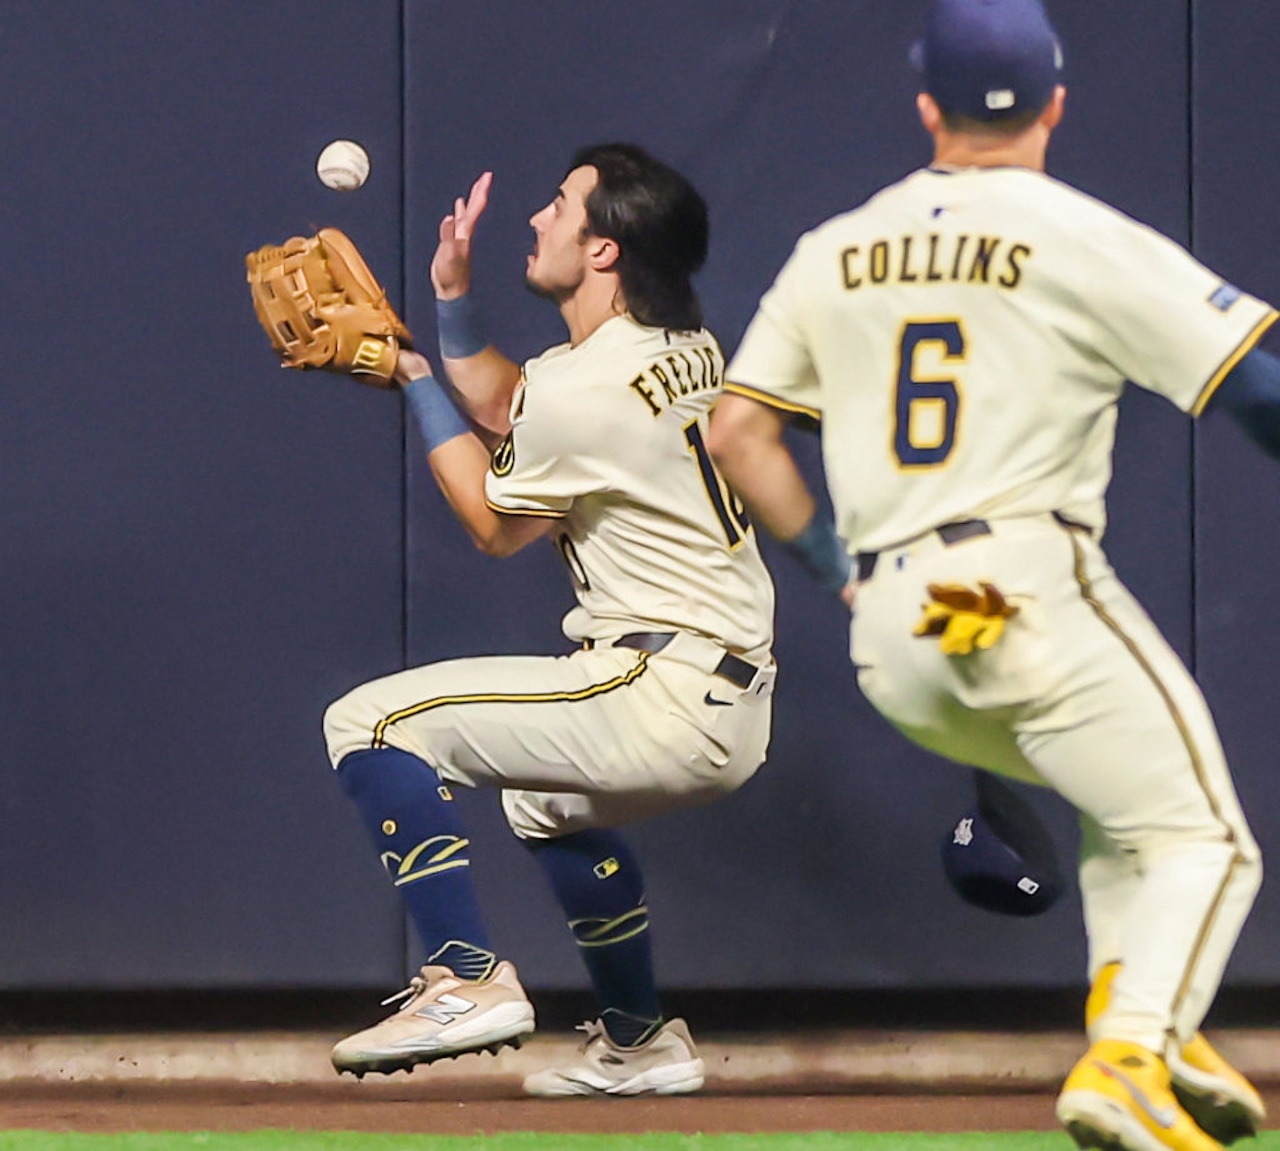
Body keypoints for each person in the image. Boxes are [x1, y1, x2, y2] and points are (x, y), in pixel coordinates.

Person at [708, 2, 1280, 1149]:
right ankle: (1126, 1057)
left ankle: (1145, 1024)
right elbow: (1256, 394)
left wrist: (838, 571)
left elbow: (734, 434)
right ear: (1055, 104)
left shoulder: (836, 248)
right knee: (1203, 838)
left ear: (926, 105)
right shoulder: (1076, 234)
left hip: (897, 628)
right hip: (1018, 589)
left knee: (1126, 813)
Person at [321, 143, 777, 1098]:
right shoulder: (678, 348)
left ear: (603, 250)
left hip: (664, 685)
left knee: (367, 722)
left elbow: (495, 527)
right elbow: (511, 404)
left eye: (560, 206)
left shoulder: (586, 388)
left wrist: (410, 378)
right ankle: (639, 1039)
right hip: (722, 691)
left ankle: (466, 976)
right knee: (546, 800)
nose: (538, 218)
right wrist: (448, 306)